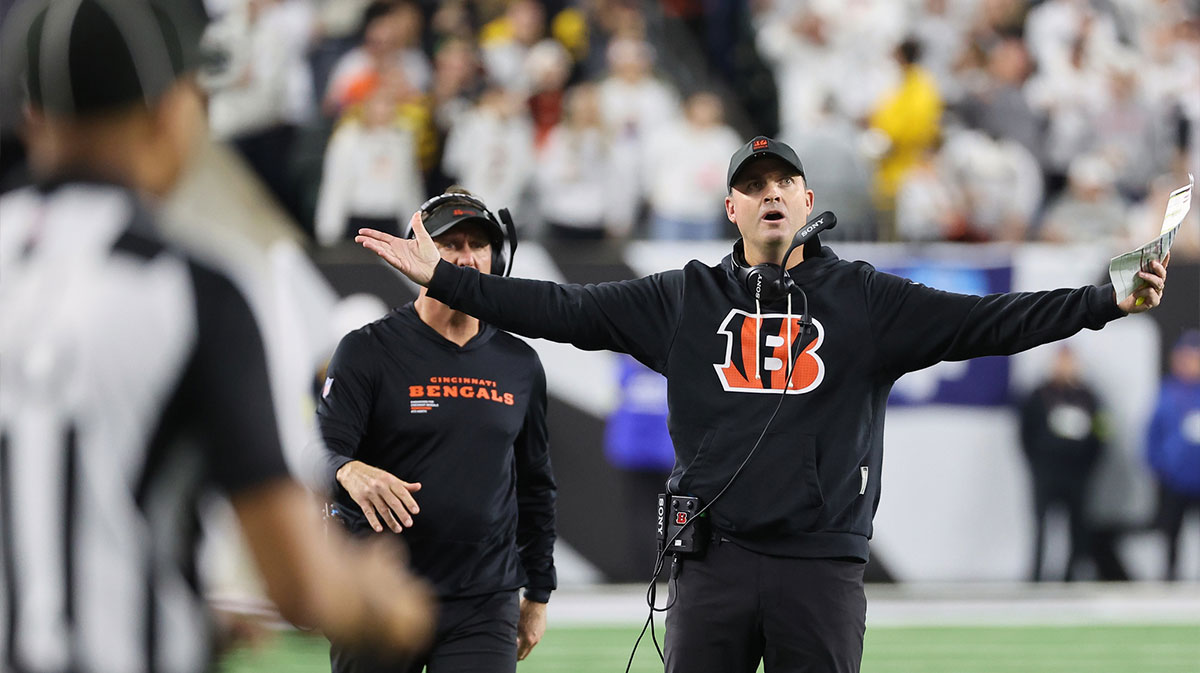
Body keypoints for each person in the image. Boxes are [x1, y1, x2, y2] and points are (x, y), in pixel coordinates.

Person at [356, 135, 1169, 673]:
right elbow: (563, 312)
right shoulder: (685, 297)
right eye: (753, 185)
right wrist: (449, 279)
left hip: (819, 563)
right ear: (731, 209)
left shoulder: (863, 299)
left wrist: (1105, 298)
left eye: (784, 181)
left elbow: (995, 320)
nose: (770, 192)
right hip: (711, 562)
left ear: (809, 200)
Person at [0, 2, 435, 672]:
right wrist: (379, 600)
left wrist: (181, 607)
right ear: (169, 111)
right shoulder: (189, 285)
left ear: (32, 114)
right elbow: (302, 582)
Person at [319, 188, 557, 673]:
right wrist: (348, 469)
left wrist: (538, 592)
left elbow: (535, 485)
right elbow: (318, 449)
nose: (466, 259)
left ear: (498, 256)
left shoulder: (519, 363)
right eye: (450, 245)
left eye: (478, 245)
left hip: (484, 599)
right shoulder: (366, 351)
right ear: (418, 255)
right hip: (379, 588)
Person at [1018, 347, 1106, 582]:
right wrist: (1037, 464)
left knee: (1078, 529)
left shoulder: (1089, 397)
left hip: (1077, 474)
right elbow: (1025, 434)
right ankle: (1036, 576)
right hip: (1046, 473)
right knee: (1041, 527)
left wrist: (1088, 466)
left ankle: (1071, 577)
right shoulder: (1038, 396)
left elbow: (1102, 434)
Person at [1145, 330, 1200, 581]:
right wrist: (1160, 466)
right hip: (1175, 481)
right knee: (1171, 535)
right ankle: (1169, 578)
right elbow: (1151, 435)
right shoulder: (1167, 392)